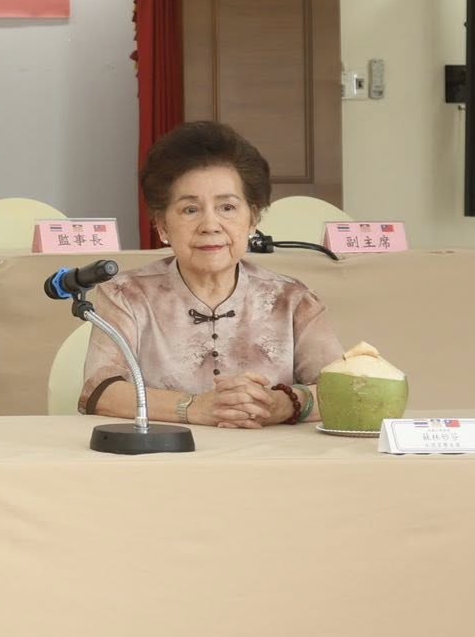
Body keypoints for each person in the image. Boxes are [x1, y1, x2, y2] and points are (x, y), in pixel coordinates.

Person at [79, 120, 344, 427]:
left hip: (267, 453)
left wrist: (283, 404)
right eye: (190, 210)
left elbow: (341, 389)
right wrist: (193, 408)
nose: (210, 225)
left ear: (253, 219)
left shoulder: (292, 299)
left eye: (227, 208)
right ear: (162, 226)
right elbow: (100, 392)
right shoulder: (126, 295)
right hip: (162, 453)